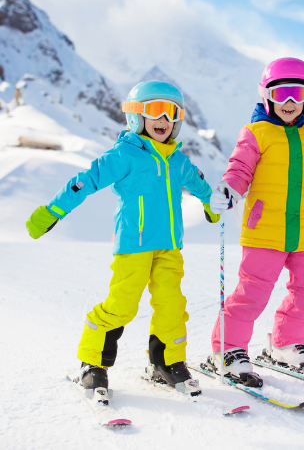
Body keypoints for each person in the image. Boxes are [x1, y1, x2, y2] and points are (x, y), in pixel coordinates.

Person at [26, 80, 220, 396]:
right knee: (122, 306)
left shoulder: (178, 159)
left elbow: (200, 185)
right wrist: (52, 211)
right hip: (134, 244)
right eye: (155, 110)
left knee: (172, 305)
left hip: (169, 247)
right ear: (135, 116)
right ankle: (92, 363)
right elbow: (85, 181)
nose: (163, 119)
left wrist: (213, 206)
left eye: (171, 112)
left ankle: (166, 363)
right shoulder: (125, 155)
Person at [207, 58, 304, 386]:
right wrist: (228, 191)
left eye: (298, 93)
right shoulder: (255, 133)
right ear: (266, 96)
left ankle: (285, 343)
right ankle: (228, 350)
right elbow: (239, 171)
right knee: (252, 294)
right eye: (281, 94)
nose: (289, 102)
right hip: (264, 231)